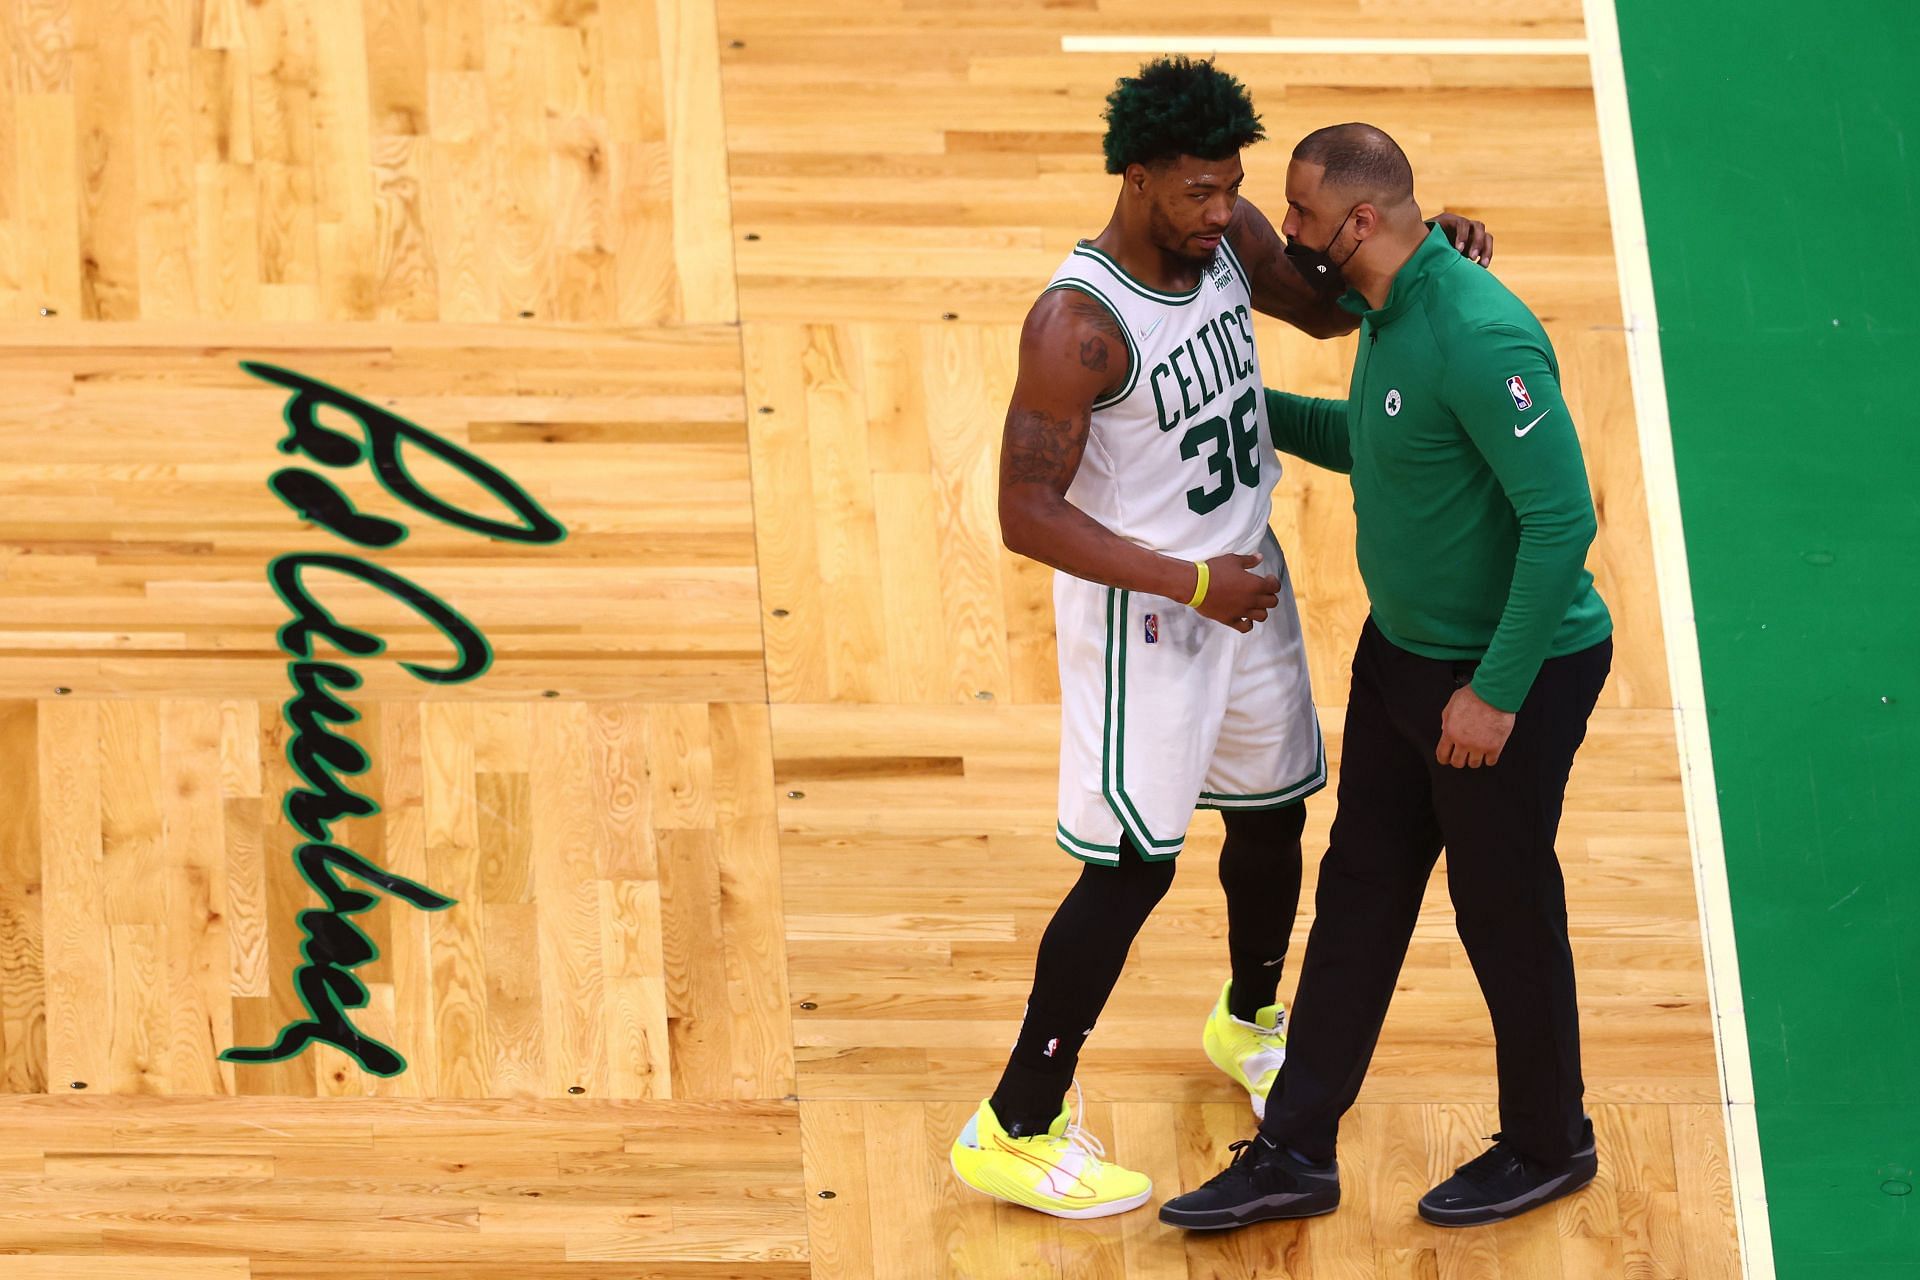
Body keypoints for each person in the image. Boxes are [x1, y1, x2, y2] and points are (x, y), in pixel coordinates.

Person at [947, 63, 1493, 1220]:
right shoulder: (1078, 325)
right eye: (1199, 192)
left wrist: (1423, 249)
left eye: (1232, 190)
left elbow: (1333, 306)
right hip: (1151, 614)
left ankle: (1249, 1020)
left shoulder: (1229, 238)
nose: (1222, 212)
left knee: (1272, 810)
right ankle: (1014, 1122)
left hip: (1244, 588)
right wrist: (1192, 581)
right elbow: (1023, 514)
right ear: (1135, 177)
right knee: (1132, 869)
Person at [1158, 123, 1614, 1232]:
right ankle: (1294, 1149)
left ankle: (1552, 1140)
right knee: (1360, 889)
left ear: (1361, 223)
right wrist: (1241, 413)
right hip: (1405, 654)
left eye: (1304, 218)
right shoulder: (1391, 308)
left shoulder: (1481, 337)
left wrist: (1497, 691)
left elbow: (1563, 521)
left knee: (1503, 907)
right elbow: (1382, 436)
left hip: (1513, 670)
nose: (1290, 236)